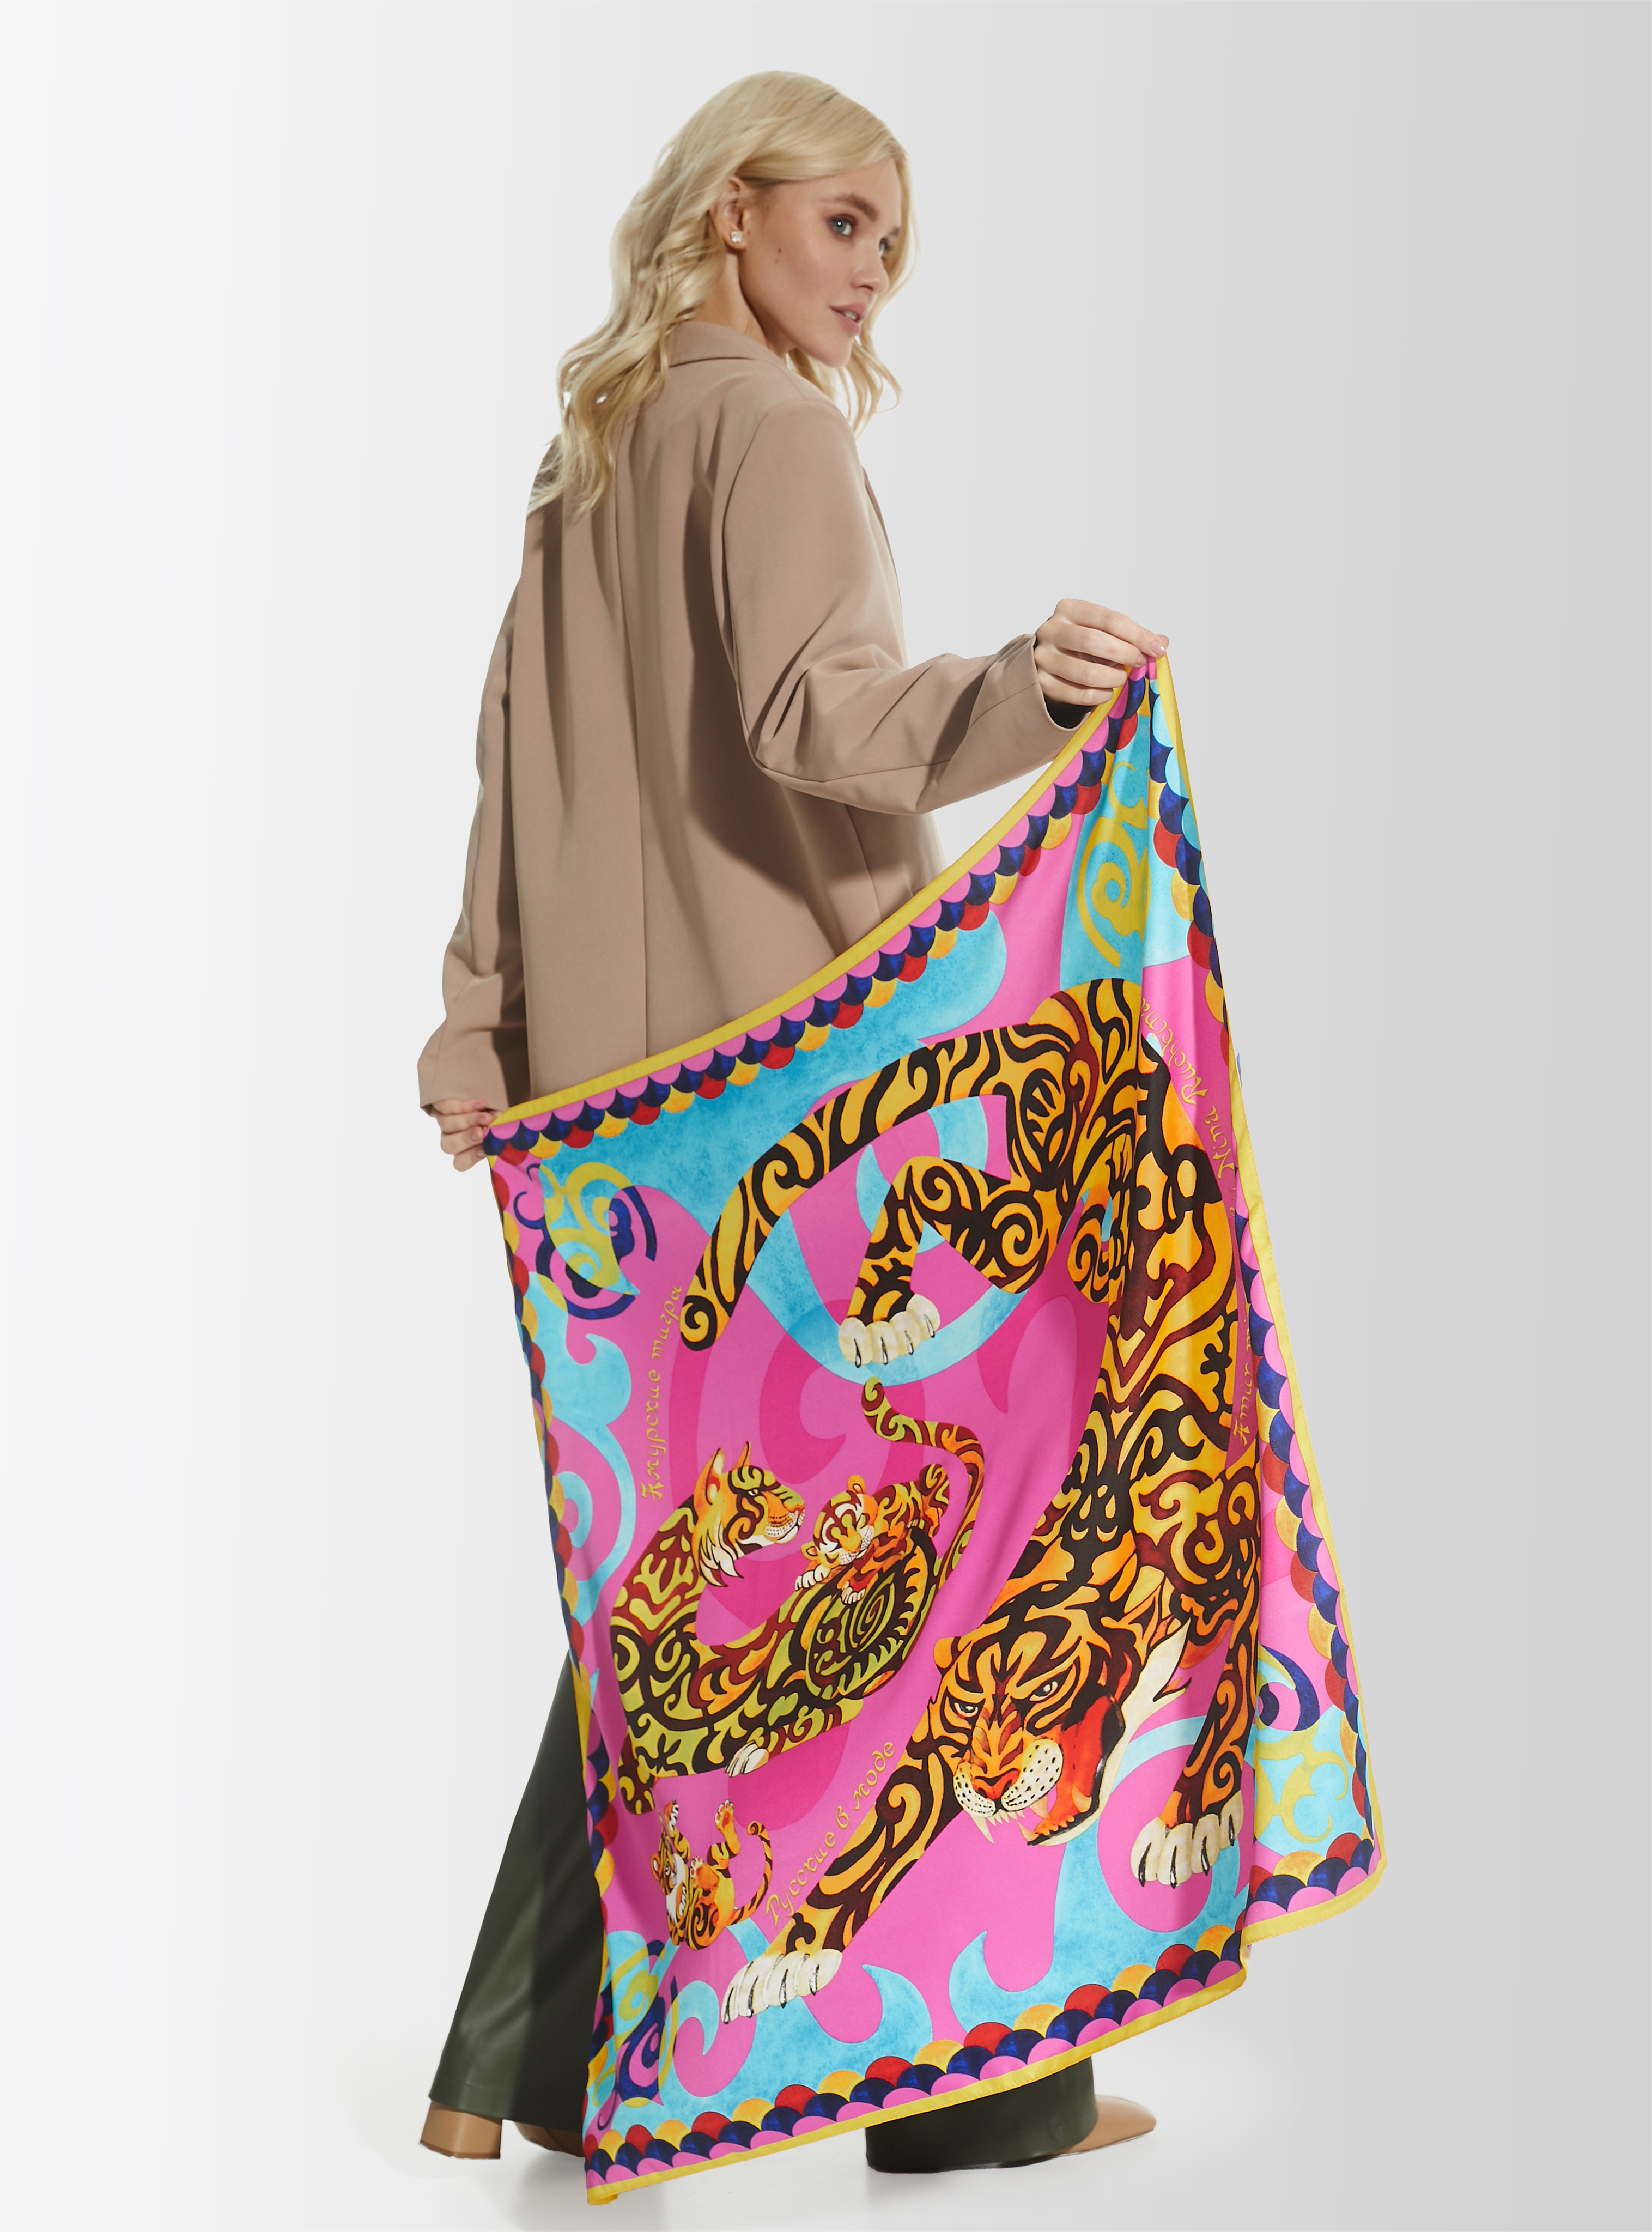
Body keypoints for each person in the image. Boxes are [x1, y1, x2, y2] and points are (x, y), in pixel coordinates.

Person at [416, 70, 1165, 2177]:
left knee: (688, 1566)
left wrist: (482, 1034)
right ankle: (983, 2101)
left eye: (892, 247)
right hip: (798, 1099)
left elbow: (506, 768)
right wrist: (1031, 686)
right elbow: (818, 721)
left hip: (627, 1121)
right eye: (845, 224)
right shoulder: (766, 431)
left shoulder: (590, 455)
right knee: (963, 1521)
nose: (871, 278)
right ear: (731, 208)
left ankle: (511, 2068)